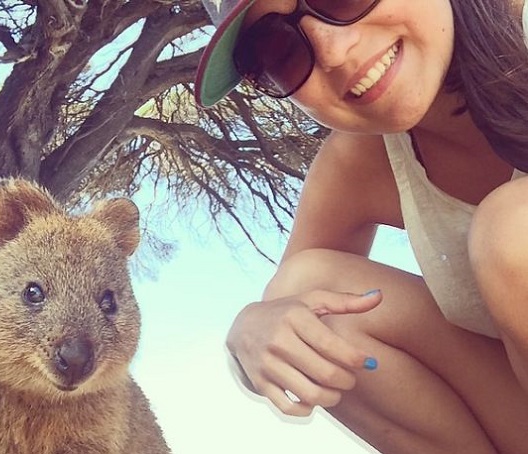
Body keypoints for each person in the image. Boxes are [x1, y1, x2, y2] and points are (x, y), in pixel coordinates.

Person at [195, 0, 528, 453]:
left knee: (513, 230)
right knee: (309, 300)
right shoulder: (359, 163)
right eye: (278, 50)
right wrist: (247, 339)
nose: (332, 52)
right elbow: (290, 317)